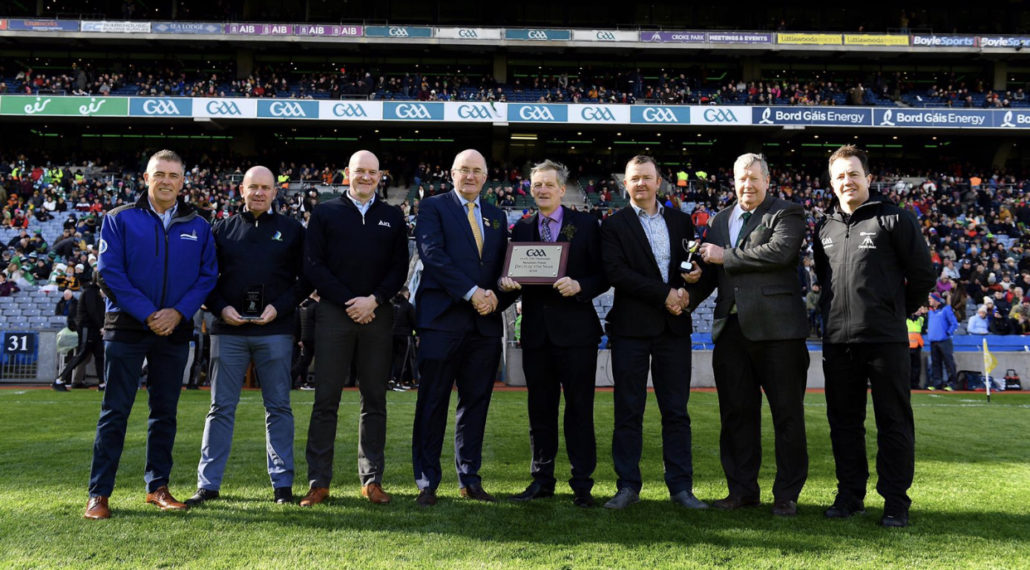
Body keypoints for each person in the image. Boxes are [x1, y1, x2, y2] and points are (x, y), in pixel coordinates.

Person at [84, 149, 218, 520]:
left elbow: (207, 277)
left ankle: (157, 486)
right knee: (115, 412)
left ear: (182, 181)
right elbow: (109, 274)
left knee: (164, 413)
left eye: (174, 175)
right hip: (126, 327)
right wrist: (148, 314)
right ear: (146, 178)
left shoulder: (199, 224)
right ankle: (99, 494)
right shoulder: (118, 219)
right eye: (160, 174)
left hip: (175, 329)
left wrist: (176, 313)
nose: (166, 181)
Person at [813, 145, 935, 528]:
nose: (847, 181)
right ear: (831, 183)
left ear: (868, 177)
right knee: (844, 424)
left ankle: (896, 502)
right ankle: (850, 496)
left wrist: (894, 312)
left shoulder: (895, 219)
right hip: (838, 342)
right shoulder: (825, 228)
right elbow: (825, 282)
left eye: (853, 174)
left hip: (885, 341)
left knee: (893, 423)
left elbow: (922, 276)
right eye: (839, 176)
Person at [691, 153, 810, 517]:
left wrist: (723, 255)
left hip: (779, 333)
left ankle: (786, 494)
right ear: (733, 179)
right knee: (736, 416)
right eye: (741, 178)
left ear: (766, 181)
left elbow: (777, 253)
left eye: (754, 178)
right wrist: (686, 293)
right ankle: (742, 490)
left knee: (786, 416)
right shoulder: (720, 220)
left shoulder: (787, 213)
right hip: (731, 332)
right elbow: (711, 275)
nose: (747, 184)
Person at [186, 166, 309, 508]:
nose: (258, 193)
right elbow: (204, 277)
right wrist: (221, 308)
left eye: (265, 188)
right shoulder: (221, 229)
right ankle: (208, 485)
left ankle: (282, 485)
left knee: (279, 407)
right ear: (241, 190)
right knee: (221, 408)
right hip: (229, 331)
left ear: (275, 192)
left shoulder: (292, 230)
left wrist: (279, 308)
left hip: (276, 331)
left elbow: (306, 279)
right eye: (253, 187)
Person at [299, 150, 408, 507]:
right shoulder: (326, 212)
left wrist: (373, 300)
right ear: (347, 173)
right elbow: (313, 265)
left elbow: (398, 269)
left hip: (378, 316)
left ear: (380, 176)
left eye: (372, 172)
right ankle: (319, 481)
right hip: (334, 315)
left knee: (374, 399)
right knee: (325, 399)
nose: (365, 177)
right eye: (359, 171)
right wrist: (351, 301)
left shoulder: (392, 216)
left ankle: (372, 480)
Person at [498, 160, 608, 508]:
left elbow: (605, 275)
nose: (542, 190)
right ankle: (541, 480)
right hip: (536, 335)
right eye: (536, 185)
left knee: (579, 409)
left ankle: (582, 484)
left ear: (563, 189)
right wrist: (505, 284)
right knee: (539, 411)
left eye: (548, 184)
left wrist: (580, 286)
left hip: (577, 333)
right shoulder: (523, 229)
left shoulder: (588, 225)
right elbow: (516, 280)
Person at [599, 155, 706, 510]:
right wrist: (666, 295)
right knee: (628, 410)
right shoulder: (614, 225)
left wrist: (690, 282)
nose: (641, 184)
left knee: (676, 411)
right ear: (625, 184)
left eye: (647, 177)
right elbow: (617, 273)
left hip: (673, 328)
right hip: (631, 329)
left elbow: (691, 265)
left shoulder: (680, 220)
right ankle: (627, 485)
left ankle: (681, 486)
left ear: (659, 181)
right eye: (634, 179)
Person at [411, 149, 512, 506]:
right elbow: (432, 255)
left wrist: (500, 295)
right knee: (433, 402)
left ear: (486, 178)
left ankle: (469, 478)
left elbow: (503, 267)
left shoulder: (498, 216)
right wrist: (473, 293)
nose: (470, 176)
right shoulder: (433, 207)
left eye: (477, 171)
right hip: (442, 321)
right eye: (463, 170)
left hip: (484, 325)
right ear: (452, 174)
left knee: (476, 404)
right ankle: (427, 481)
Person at [54, 277, 106, 391]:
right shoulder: (91, 293)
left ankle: (102, 383)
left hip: (92, 329)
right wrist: (100, 326)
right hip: (89, 328)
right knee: (82, 354)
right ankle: (60, 379)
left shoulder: (92, 292)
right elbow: (93, 311)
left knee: (99, 355)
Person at [926, 293, 958, 391]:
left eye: (930, 299)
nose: (929, 301)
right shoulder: (931, 311)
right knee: (935, 363)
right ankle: (937, 383)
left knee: (948, 362)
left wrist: (948, 332)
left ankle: (952, 383)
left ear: (936, 300)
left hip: (944, 341)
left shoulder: (946, 309)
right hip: (933, 341)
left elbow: (954, 323)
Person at [907, 307, 927, 389]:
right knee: (908, 367)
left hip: (917, 346)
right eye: (917, 309)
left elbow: (926, 326)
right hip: (907, 346)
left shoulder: (921, 319)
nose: (919, 311)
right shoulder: (906, 319)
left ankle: (915, 384)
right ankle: (907, 384)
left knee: (916, 367)